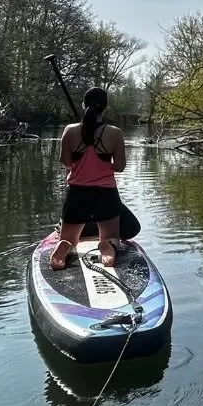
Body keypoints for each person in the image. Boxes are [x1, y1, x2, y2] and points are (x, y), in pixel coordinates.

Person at [50, 86, 126, 270]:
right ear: (105, 108)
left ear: (84, 105)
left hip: (77, 194)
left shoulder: (70, 130)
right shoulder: (115, 133)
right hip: (105, 194)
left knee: (68, 237)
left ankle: (66, 246)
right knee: (112, 237)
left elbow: (66, 162)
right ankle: (107, 246)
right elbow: (120, 167)